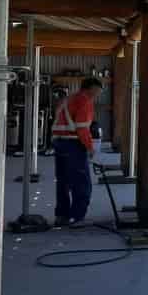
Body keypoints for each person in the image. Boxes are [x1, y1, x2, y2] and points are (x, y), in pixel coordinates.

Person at [51, 77, 103, 228]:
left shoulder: (68, 100)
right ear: (91, 88)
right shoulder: (85, 101)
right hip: (73, 144)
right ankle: (77, 217)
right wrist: (90, 147)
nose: (98, 95)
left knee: (63, 182)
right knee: (81, 182)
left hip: (59, 143)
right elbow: (82, 128)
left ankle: (62, 216)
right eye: (97, 91)